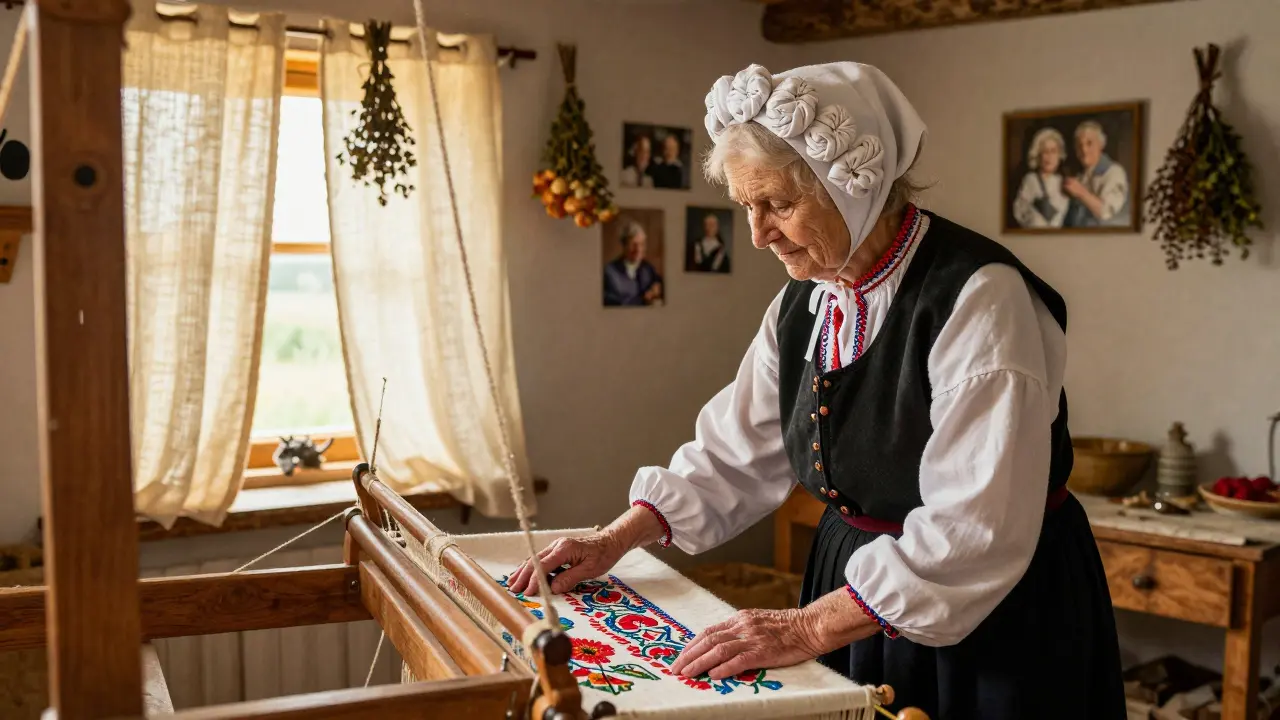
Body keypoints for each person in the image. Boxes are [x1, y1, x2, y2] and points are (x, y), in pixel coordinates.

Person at [512, 62, 1124, 719]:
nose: (757, 233)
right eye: (747, 206)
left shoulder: (979, 299)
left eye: (778, 204)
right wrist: (613, 539)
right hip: (854, 590)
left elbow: (973, 526)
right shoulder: (807, 303)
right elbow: (735, 451)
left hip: (992, 609)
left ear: (850, 186)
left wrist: (804, 628)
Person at [1062, 120, 1130, 227]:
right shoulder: (1081, 176)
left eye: (1089, 143)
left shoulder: (1114, 172)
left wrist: (1081, 192)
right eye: (1079, 145)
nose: (1084, 150)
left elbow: (1105, 213)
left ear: (1101, 144)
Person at [1011, 127, 1070, 228]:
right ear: (1038, 154)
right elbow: (1019, 211)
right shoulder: (1030, 179)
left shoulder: (1064, 182)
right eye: (1045, 151)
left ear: (1059, 155)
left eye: (1053, 151)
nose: (1049, 156)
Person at [603, 219, 663, 306]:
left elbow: (659, 285)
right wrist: (644, 300)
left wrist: (656, 288)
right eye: (633, 245)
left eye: (642, 244)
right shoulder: (610, 272)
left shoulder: (648, 268)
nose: (638, 250)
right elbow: (615, 304)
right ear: (624, 245)